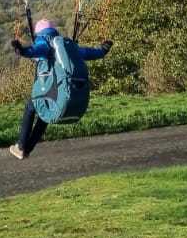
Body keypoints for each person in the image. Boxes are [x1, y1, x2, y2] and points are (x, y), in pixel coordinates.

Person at [9, 17, 112, 160]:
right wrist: (103, 50)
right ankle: (27, 149)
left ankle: (21, 146)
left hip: (51, 87)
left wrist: (22, 51)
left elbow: (39, 49)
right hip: (60, 91)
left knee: (31, 107)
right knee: (44, 113)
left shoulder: (44, 40)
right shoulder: (66, 46)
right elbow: (87, 53)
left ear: (39, 32)